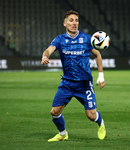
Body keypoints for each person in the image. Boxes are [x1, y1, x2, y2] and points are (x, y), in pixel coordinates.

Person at [41, 10, 106, 142]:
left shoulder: (87, 39)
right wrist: (44, 56)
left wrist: (101, 75)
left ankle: (101, 123)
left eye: (76, 20)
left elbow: (98, 54)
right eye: (71, 20)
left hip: (84, 84)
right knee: (54, 112)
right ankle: (63, 133)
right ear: (65, 23)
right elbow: (49, 50)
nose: (74, 23)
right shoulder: (60, 39)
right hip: (67, 84)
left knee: (91, 116)